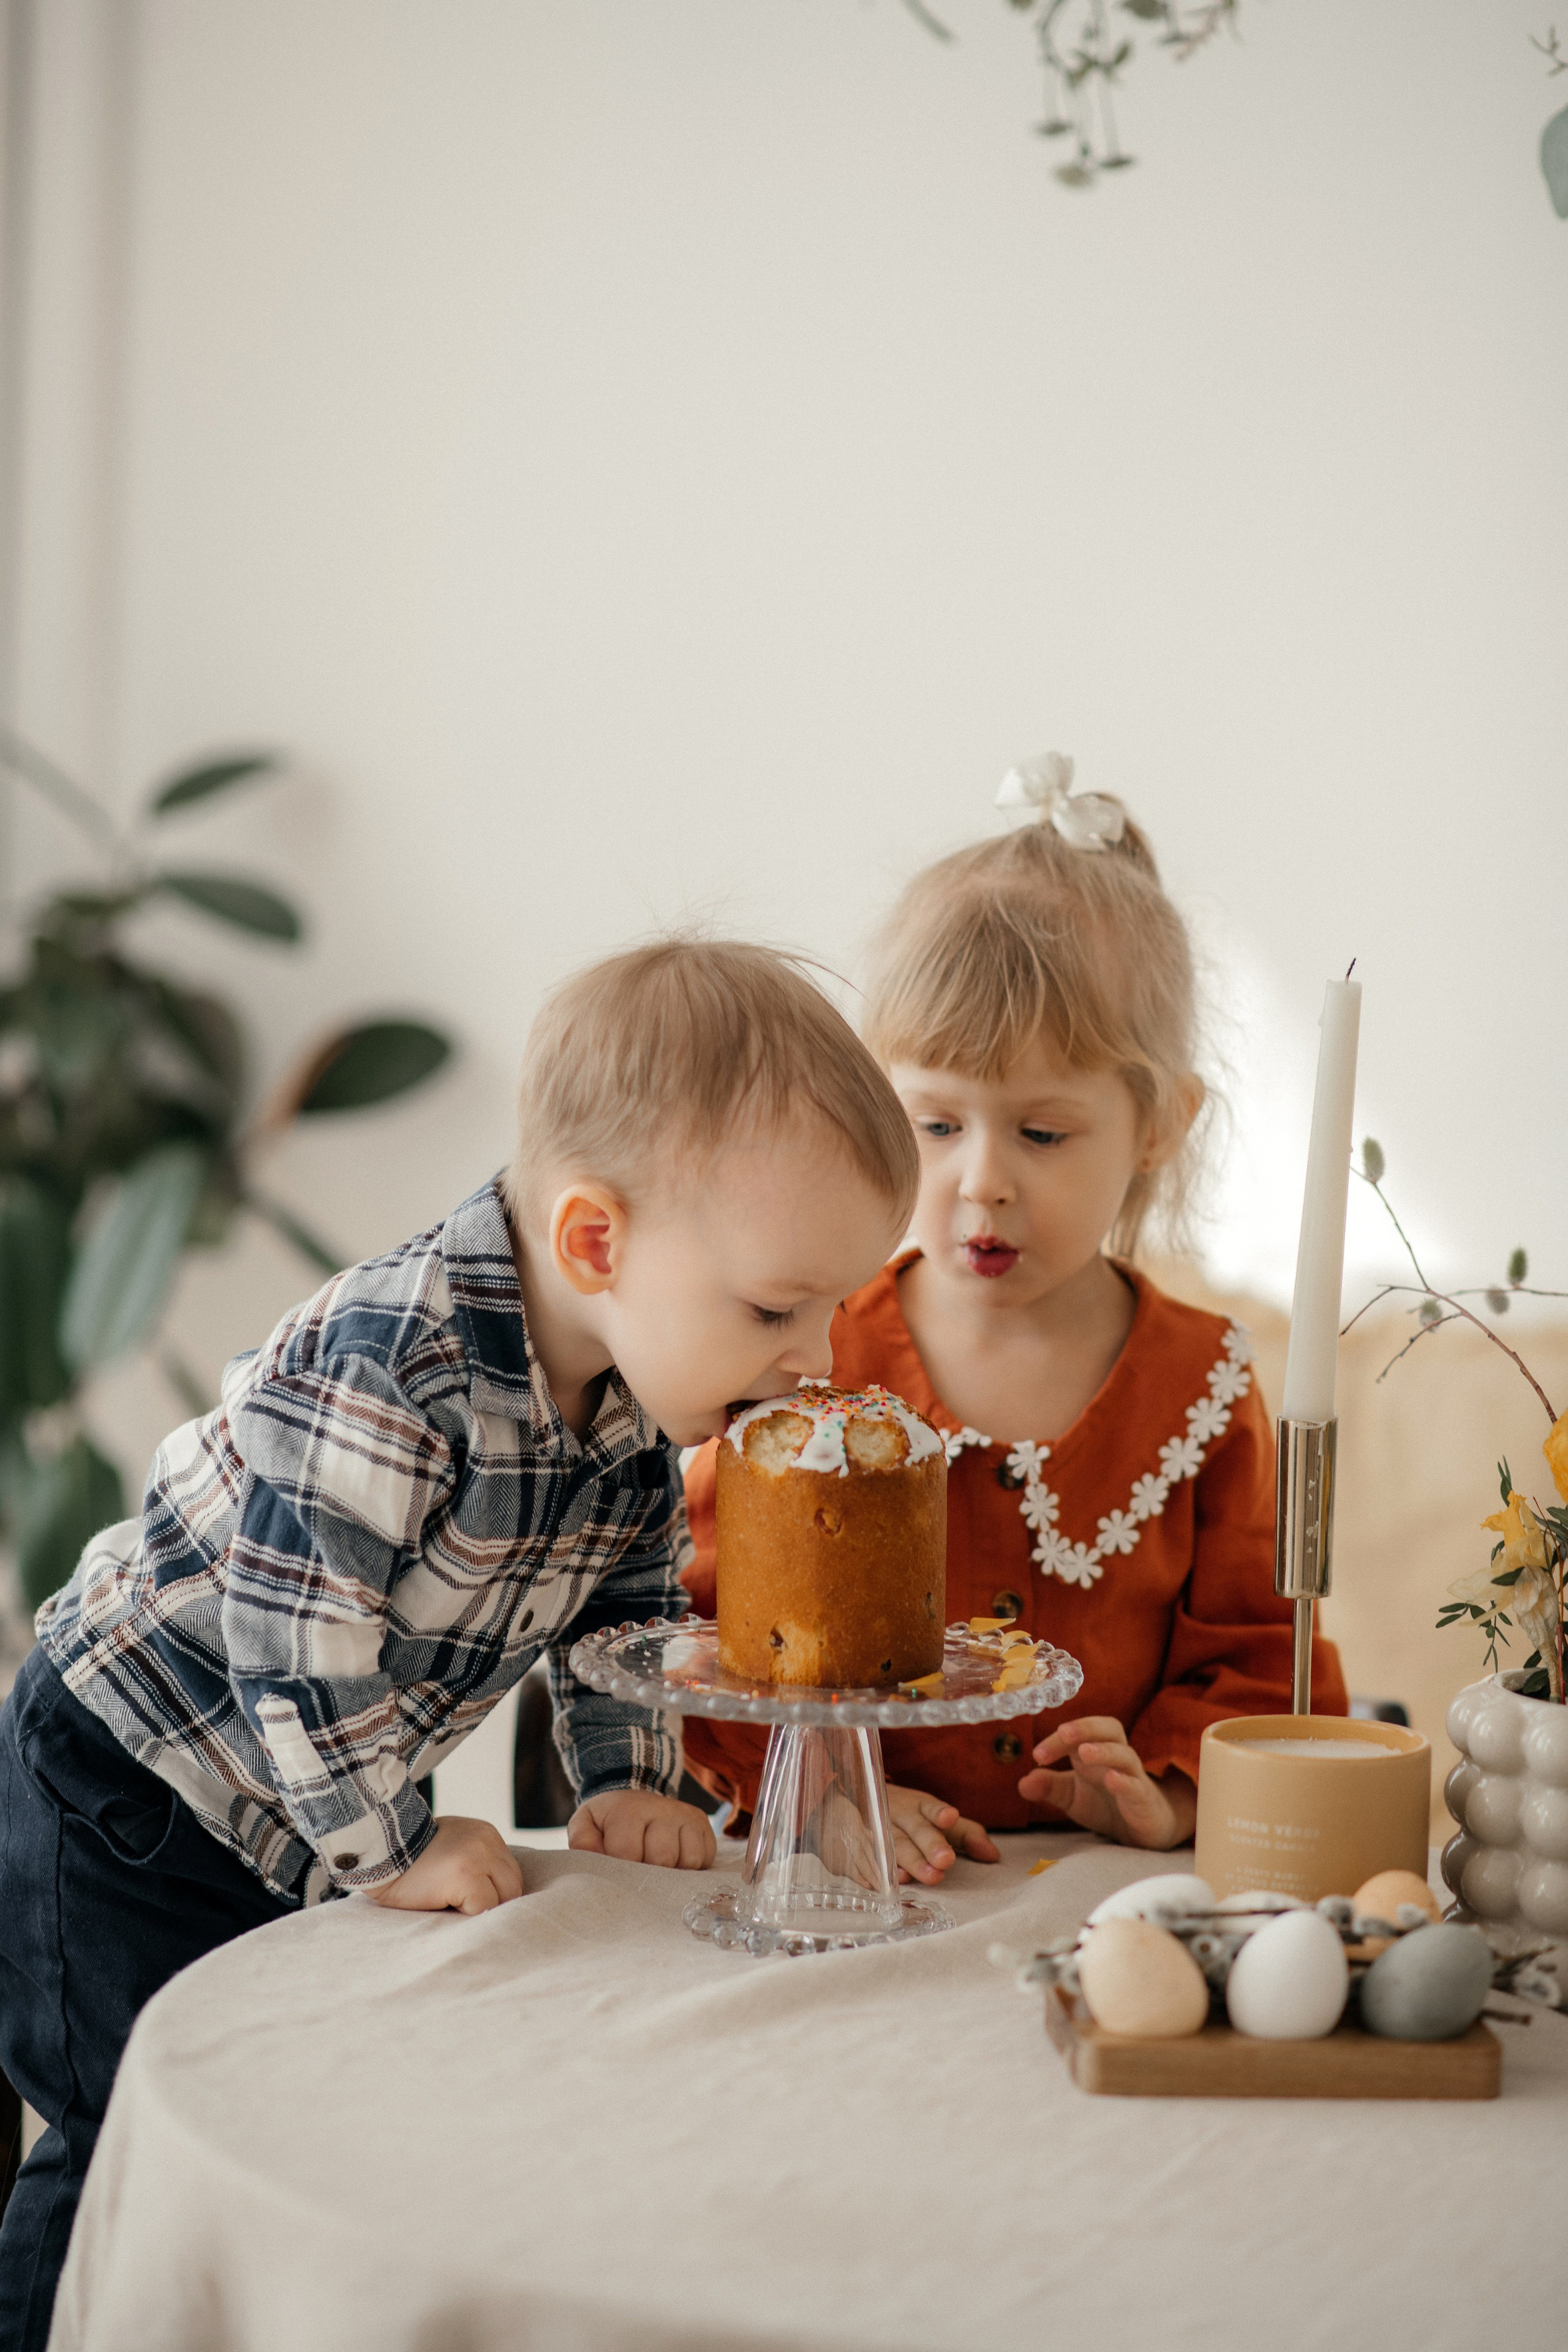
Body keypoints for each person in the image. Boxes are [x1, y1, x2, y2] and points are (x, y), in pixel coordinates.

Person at [0, 937, 920, 2351]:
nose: (818, 1359)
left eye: (832, 1310)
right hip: (124, 1775)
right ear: (594, 1241)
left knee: (290, 2110)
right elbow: (295, 1645)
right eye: (774, 1308)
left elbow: (625, 1607)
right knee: (133, 2135)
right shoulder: (394, 1361)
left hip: (289, 1806)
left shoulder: (628, 1403)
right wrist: (398, 1841)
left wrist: (626, 1776)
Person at [682, 758, 1348, 1882]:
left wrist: (1167, 1791)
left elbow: (1257, 1656)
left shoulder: (1200, 1383)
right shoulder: (802, 1356)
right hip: (848, 1886)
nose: (983, 1182)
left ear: (1159, 1127)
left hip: (1098, 1895)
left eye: (1042, 1135)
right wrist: (824, 1801)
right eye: (936, 1126)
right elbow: (708, 1626)